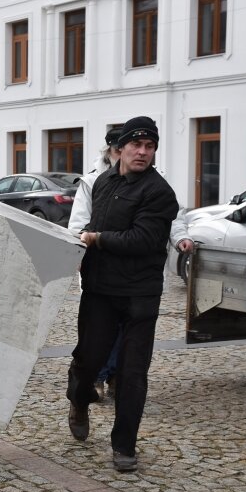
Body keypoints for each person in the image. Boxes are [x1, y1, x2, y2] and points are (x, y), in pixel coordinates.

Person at [66, 116, 179, 473]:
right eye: (136, 145)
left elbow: (143, 240)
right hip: (99, 291)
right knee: (88, 361)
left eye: (149, 147)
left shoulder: (159, 193)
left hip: (139, 295)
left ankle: (124, 446)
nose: (142, 152)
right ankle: (79, 399)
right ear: (122, 148)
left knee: (132, 373)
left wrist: (96, 239)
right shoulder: (102, 182)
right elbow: (88, 228)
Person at [69, 127, 194, 402]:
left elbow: (172, 217)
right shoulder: (94, 182)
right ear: (115, 151)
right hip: (101, 276)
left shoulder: (156, 183)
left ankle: (115, 379)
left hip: (139, 280)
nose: (139, 153)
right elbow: (79, 225)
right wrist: (84, 247)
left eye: (147, 146)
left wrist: (181, 237)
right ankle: (91, 383)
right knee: (94, 342)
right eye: (128, 147)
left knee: (130, 344)